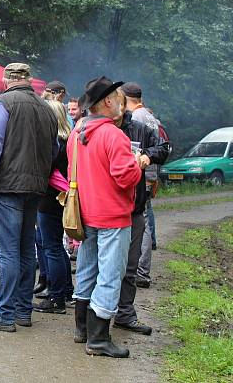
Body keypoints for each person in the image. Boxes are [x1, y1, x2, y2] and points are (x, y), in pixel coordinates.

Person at [0, 63, 58, 332]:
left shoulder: (2, 103)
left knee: (7, 251)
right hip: (35, 188)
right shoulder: (47, 109)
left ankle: (3, 314)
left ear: (5, 81)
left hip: (6, 186)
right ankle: (22, 310)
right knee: (25, 249)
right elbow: (53, 150)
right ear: (29, 81)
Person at [69, 76, 141, 358]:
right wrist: (138, 163)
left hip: (85, 213)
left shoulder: (78, 132)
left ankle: (82, 330)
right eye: (118, 100)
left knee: (86, 269)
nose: (121, 105)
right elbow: (125, 177)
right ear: (108, 101)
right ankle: (98, 339)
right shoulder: (114, 135)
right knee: (110, 275)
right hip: (112, 215)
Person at [113, 89, 169, 336]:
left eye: (119, 103)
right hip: (104, 210)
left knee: (130, 266)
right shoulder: (96, 128)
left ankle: (124, 313)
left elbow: (165, 147)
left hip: (133, 207)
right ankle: (91, 319)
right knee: (99, 266)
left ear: (124, 104)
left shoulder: (138, 128)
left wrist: (148, 155)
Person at [32, 100, 74, 314]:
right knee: (55, 245)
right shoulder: (68, 140)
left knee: (52, 247)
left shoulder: (54, 143)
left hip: (51, 200)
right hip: (60, 198)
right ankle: (65, 290)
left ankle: (56, 298)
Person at [120, 82, 160, 288]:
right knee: (145, 218)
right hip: (150, 172)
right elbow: (162, 143)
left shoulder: (136, 118)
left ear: (125, 98)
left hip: (140, 173)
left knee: (140, 221)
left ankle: (140, 271)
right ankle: (142, 270)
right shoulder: (150, 116)